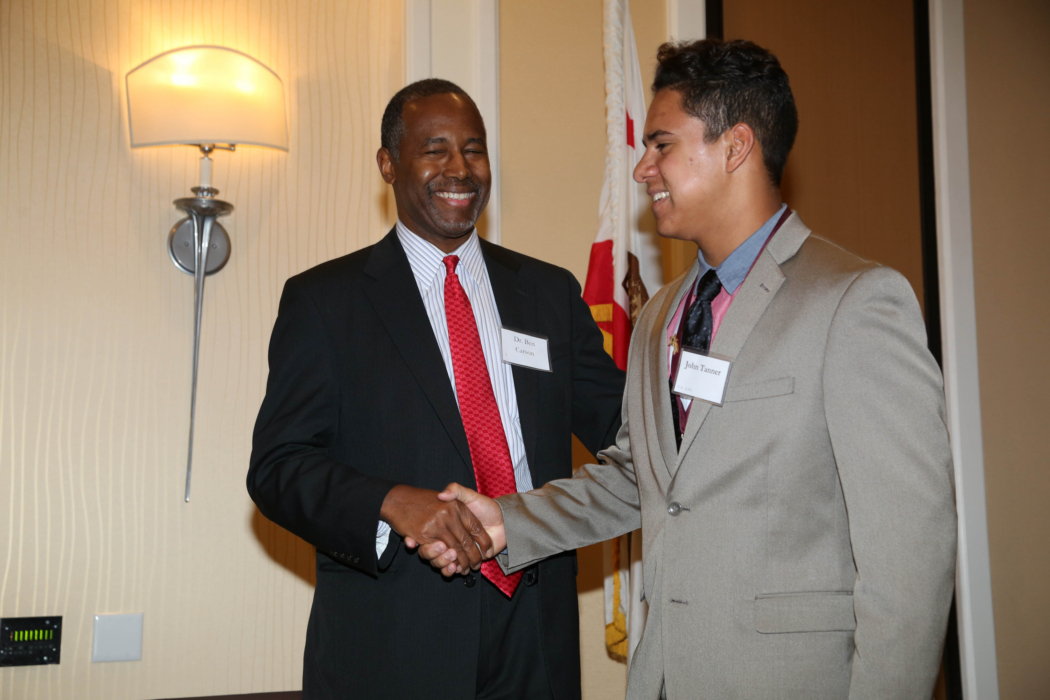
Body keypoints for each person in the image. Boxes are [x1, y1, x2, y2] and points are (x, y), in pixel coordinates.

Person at [422, 40, 958, 699]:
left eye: (662, 145)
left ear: (735, 147)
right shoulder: (659, 317)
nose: (642, 168)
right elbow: (643, 480)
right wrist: (508, 522)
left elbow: (910, 558)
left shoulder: (855, 303)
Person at [247, 78, 625, 699]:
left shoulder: (548, 293)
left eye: (474, 149)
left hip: (536, 635)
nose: (460, 168)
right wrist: (391, 501)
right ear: (388, 164)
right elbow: (278, 468)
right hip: (395, 642)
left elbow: (628, 429)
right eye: (435, 149)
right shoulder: (325, 302)